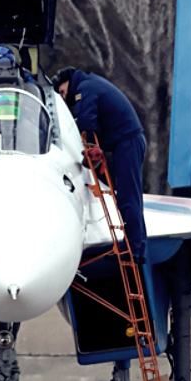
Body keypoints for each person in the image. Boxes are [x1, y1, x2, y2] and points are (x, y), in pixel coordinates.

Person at [54, 67, 147, 261]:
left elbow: (86, 121)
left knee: (129, 197)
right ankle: (134, 246)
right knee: (127, 196)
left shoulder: (85, 89)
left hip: (127, 143)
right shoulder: (91, 83)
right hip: (123, 143)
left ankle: (134, 250)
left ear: (68, 82)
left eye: (62, 92)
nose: (64, 97)